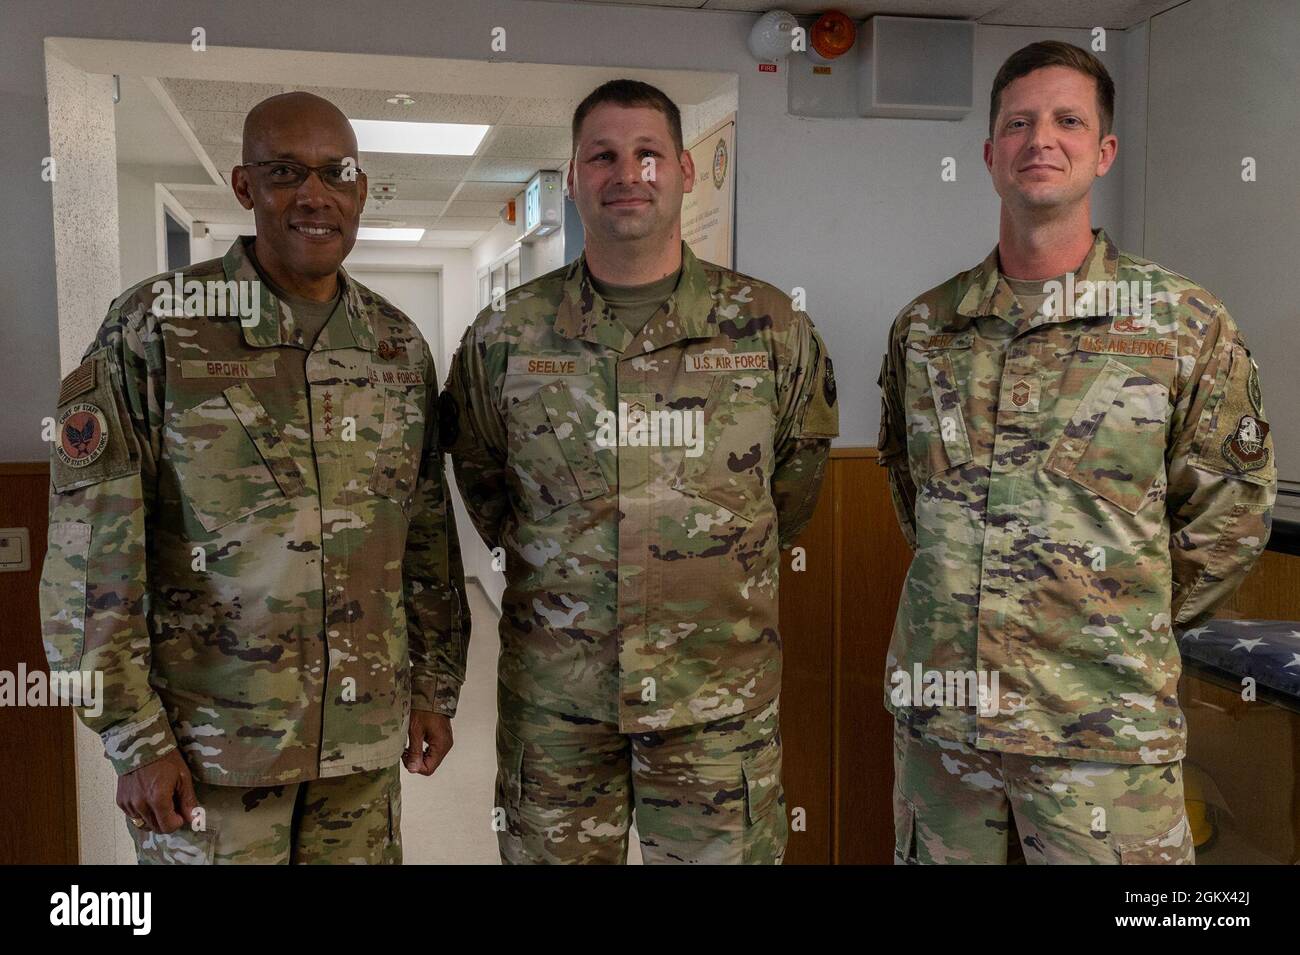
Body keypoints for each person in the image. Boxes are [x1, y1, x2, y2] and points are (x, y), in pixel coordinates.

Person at [38, 92, 469, 864]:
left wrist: (435, 686)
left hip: (359, 744)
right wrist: (135, 738)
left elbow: (427, 534)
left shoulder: (396, 347)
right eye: (284, 173)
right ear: (244, 187)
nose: (314, 194)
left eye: (336, 173)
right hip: (210, 751)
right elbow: (90, 554)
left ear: (361, 188)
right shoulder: (157, 327)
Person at [877, 41, 1276, 864]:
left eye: (1067, 121)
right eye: (1018, 123)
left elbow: (1232, 514)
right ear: (990, 154)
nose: (1040, 140)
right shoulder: (926, 327)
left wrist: (1116, 622)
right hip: (945, 722)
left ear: (1104, 152)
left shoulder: (1181, 323)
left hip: (1104, 727)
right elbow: (910, 489)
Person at [442, 79, 838, 864]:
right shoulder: (506, 335)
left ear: (685, 172)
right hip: (559, 705)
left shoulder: (768, 327)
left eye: (648, 154)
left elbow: (791, 485)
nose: (629, 173)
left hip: (716, 702)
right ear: (576, 176)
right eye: (604, 156)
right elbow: (486, 480)